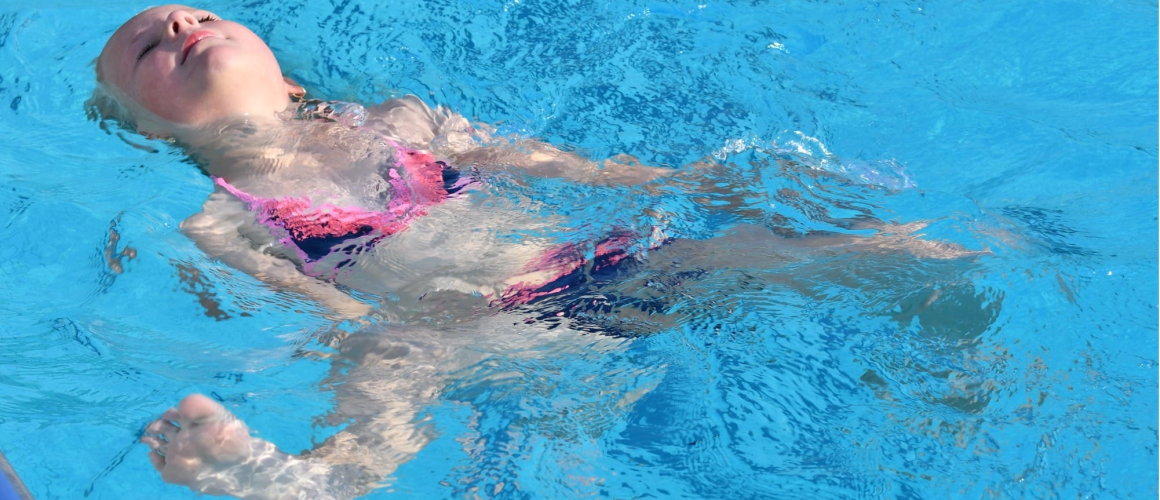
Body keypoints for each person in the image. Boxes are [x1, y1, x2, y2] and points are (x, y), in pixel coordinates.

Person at [95, 5, 982, 498]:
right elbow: (322, 316)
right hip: (468, 338)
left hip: (595, 271)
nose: (178, 24)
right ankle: (290, 481)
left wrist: (699, 180)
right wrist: (381, 333)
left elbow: (569, 168)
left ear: (285, 73)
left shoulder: (404, 120)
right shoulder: (223, 222)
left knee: (764, 246)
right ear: (144, 128)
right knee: (384, 365)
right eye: (144, 49)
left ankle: (936, 275)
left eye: (200, 14)